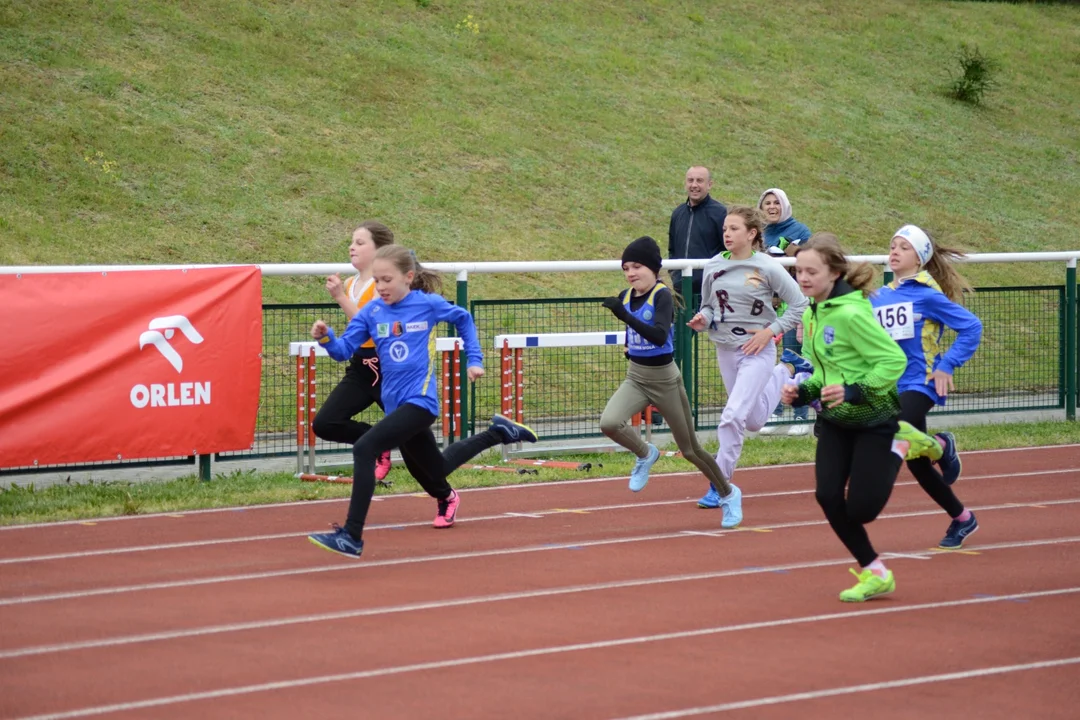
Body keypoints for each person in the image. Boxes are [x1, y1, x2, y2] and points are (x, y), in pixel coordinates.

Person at [307, 246, 538, 558]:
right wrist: (325, 338)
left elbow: (464, 318)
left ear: (409, 277)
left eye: (387, 279)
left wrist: (475, 359)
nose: (381, 287)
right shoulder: (372, 312)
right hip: (395, 405)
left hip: (420, 401)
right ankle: (500, 433)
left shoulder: (426, 305)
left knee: (365, 447)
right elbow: (344, 351)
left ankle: (352, 535)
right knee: (437, 468)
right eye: (377, 280)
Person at [781, 233, 942, 602]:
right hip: (837, 420)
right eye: (798, 271)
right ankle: (875, 572)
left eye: (811, 271)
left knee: (862, 510)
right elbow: (824, 372)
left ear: (834, 273)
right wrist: (802, 392)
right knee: (827, 496)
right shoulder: (811, 312)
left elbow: (892, 361)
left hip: (874, 419)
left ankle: (903, 442)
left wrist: (853, 389)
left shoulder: (852, 314)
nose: (802, 278)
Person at [599, 236, 743, 528]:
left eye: (636, 266)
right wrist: (629, 344)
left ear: (653, 269)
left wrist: (623, 315)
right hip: (636, 378)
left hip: (665, 381)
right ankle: (645, 453)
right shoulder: (626, 296)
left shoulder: (662, 295)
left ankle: (728, 493)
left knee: (691, 450)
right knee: (609, 422)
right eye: (626, 268)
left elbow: (658, 335)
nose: (630, 273)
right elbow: (637, 334)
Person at [686, 206, 813, 510]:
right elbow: (708, 306)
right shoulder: (714, 266)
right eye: (725, 229)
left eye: (734, 229)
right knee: (753, 421)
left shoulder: (767, 267)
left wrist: (770, 332)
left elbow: (800, 303)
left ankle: (720, 485)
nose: (726, 234)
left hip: (756, 351)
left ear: (752, 234)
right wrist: (702, 318)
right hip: (725, 350)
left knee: (732, 417)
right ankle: (788, 370)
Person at [871, 225, 983, 549]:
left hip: (921, 381)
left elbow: (971, 326)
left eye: (903, 248)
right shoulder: (880, 297)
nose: (894, 251)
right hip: (890, 384)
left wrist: (947, 365)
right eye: (892, 245)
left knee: (896, 429)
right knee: (916, 462)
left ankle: (942, 446)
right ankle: (962, 517)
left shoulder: (927, 294)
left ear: (919, 259)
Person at [311, 221, 395, 482]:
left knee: (414, 434)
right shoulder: (349, 284)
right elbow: (352, 339)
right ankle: (377, 444)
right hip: (361, 368)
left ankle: (440, 479)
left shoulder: (384, 285)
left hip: (388, 369)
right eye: (351, 241)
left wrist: (340, 298)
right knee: (324, 423)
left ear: (379, 250)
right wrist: (326, 337)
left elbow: (370, 328)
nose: (351, 247)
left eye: (360, 243)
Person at [759, 189, 814, 435]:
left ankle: (801, 415)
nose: (772, 207)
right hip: (770, 305)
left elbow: (812, 261)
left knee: (794, 356)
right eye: (767, 203)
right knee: (775, 359)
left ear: (785, 205)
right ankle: (775, 412)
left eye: (776, 203)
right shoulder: (761, 234)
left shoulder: (800, 231)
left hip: (795, 303)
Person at [668, 166, 727, 297]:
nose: (694, 185)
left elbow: (728, 250)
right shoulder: (678, 213)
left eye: (699, 180)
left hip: (711, 291)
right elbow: (672, 249)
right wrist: (674, 275)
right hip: (681, 290)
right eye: (690, 180)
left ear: (709, 184)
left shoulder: (720, 214)